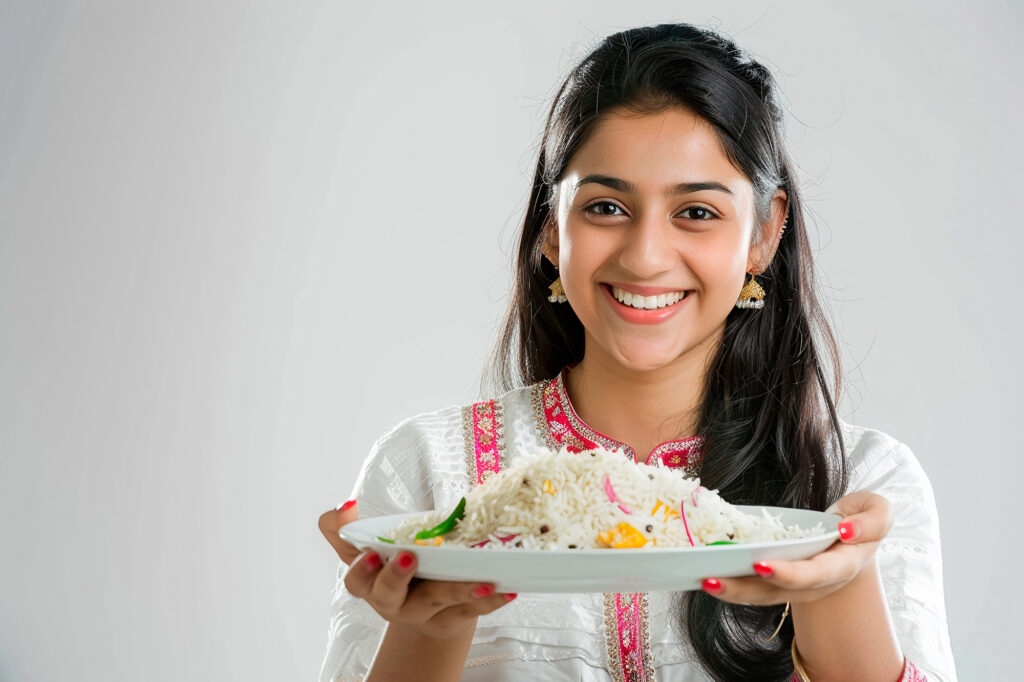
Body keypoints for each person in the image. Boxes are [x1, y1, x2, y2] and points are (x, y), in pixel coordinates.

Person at [316, 23, 957, 682]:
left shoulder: (861, 486)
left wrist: (836, 588)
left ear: (764, 233)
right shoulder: (427, 472)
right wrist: (431, 629)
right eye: (605, 207)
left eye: (698, 213)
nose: (646, 256)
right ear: (550, 230)